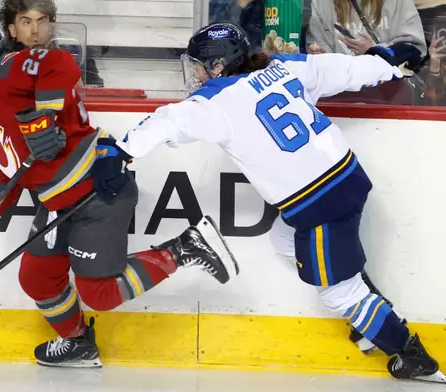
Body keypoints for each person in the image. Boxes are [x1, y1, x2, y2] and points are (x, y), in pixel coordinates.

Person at [92, 21, 445, 383]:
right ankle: (365, 307)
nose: (196, 73)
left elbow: (167, 122)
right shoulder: (283, 67)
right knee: (283, 239)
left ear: (217, 66)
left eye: (199, 65)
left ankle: (409, 354)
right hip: (346, 177)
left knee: (338, 293)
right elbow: (341, 69)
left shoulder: (215, 101)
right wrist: (387, 61)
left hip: (319, 202)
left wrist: (119, 150)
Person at [0, 21, 237, 368]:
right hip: (56, 204)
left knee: (100, 293)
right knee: (37, 276)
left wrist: (44, 117)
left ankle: (185, 247)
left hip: (95, 190)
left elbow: (62, 63)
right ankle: (77, 343)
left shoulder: (12, 67)